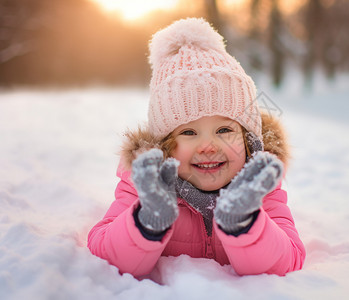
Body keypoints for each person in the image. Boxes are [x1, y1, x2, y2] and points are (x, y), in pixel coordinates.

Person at [87, 18, 305, 279]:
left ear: (248, 141)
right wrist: (147, 220)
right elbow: (102, 258)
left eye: (224, 130)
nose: (208, 146)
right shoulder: (146, 186)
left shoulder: (258, 188)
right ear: (165, 145)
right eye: (188, 132)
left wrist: (246, 221)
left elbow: (289, 260)